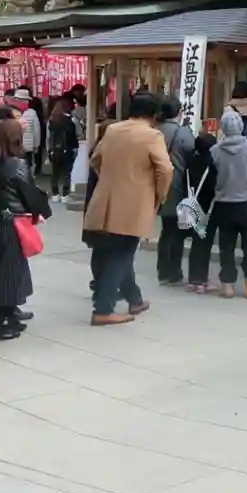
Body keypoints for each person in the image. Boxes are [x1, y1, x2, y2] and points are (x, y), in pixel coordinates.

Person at [83, 91, 171, 326]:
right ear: (153, 114)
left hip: (105, 198)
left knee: (116, 252)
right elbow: (165, 169)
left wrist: (110, 178)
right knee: (121, 254)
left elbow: (95, 159)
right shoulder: (152, 135)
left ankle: (135, 299)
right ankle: (103, 309)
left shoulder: (113, 130)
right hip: (134, 202)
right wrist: (158, 194)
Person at [0, 118, 51, 342]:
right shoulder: (16, 165)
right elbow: (30, 193)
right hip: (12, 224)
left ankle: (7, 315)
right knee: (8, 274)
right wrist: (40, 212)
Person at [210, 109, 247, 299]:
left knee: (226, 246)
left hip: (224, 203)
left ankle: (227, 285)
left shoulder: (215, 152)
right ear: (241, 127)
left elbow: (212, 179)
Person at [154, 97, 196, 286]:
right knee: (176, 232)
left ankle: (163, 271)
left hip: (158, 186)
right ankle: (173, 271)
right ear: (179, 112)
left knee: (166, 230)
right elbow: (191, 155)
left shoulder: (155, 131)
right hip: (178, 185)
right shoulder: (183, 133)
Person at [184, 131, 219, 291]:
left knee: (196, 242)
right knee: (205, 243)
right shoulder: (211, 163)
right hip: (207, 207)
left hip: (192, 205)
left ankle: (193, 278)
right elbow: (214, 186)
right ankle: (201, 280)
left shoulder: (191, 161)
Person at [47, 95, 80, 199]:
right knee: (66, 172)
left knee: (55, 172)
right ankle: (65, 195)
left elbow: (48, 137)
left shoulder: (51, 121)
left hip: (55, 150)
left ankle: (55, 194)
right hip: (68, 149)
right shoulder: (71, 120)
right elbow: (77, 134)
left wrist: (49, 149)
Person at [13, 87, 41, 172]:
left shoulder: (11, 112)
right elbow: (36, 131)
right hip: (27, 147)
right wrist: (36, 145)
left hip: (14, 147)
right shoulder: (32, 113)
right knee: (27, 167)